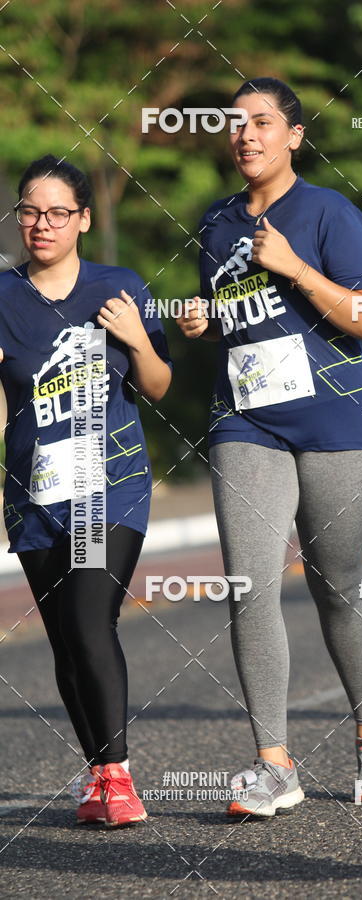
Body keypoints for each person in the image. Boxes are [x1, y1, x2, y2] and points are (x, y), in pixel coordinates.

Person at [178, 77, 362, 817]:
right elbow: (238, 315)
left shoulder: (329, 213)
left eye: (262, 123)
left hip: (337, 427)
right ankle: (274, 761)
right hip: (248, 422)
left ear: (293, 135)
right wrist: (204, 321)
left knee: (337, 588)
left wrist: (296, 268)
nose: (246, 135)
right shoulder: (214, 224)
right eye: (235, 124)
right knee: (249, 584)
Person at [1, 155, 172, 827]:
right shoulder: (3, 295)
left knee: (88, 617)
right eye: (29, 210)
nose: (40, 224)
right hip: (33, 491)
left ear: (83, 220)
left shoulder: (118, 286)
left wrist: (137, 340)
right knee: (64, 641)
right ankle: (98, 773)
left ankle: (118, 776)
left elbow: (157, 387)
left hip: (112, 482)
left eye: (56, 212)